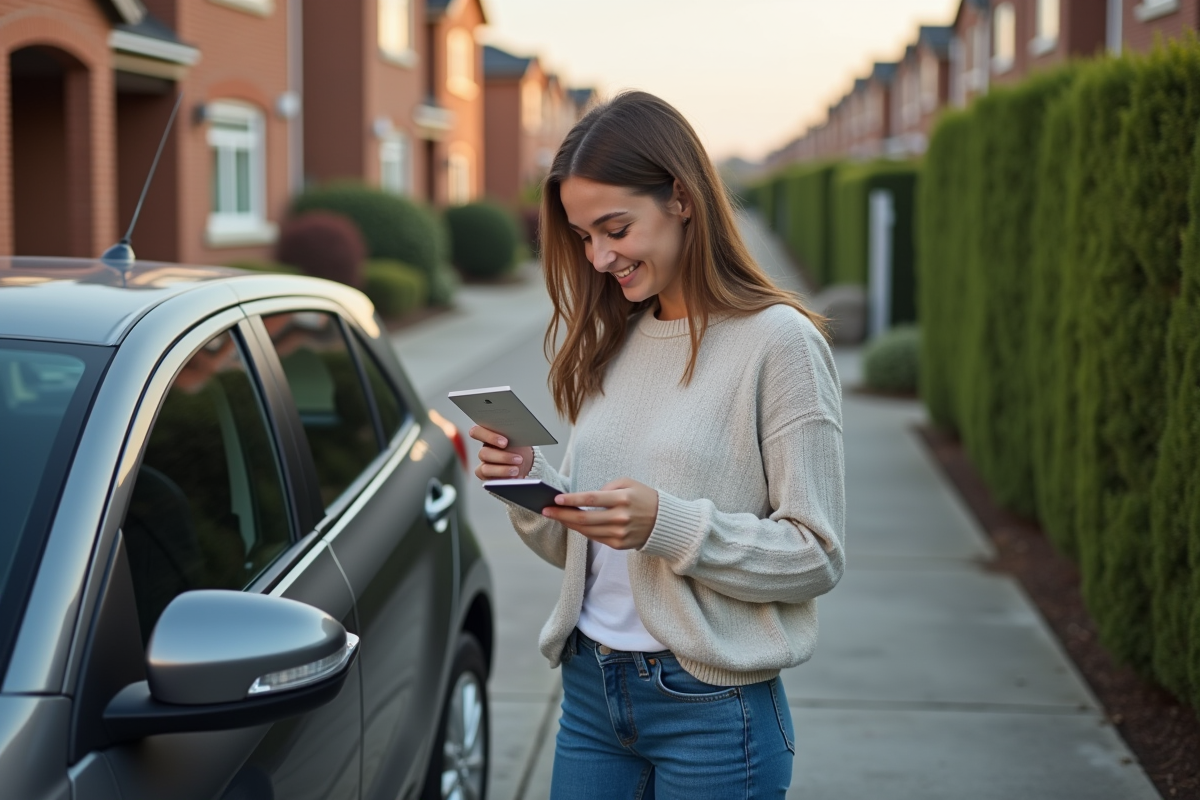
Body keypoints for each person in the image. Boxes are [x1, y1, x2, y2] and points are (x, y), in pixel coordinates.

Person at [469, 91, 845, 799]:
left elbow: (816, 556)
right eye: (584, 236)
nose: (600, 256)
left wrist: (666, 525)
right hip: (590, 690)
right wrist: (531, 484)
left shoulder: (779, 344)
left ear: (680, 197)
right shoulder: (620, 338)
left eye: (615, 227)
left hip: (712, 706)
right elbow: (583, 552)